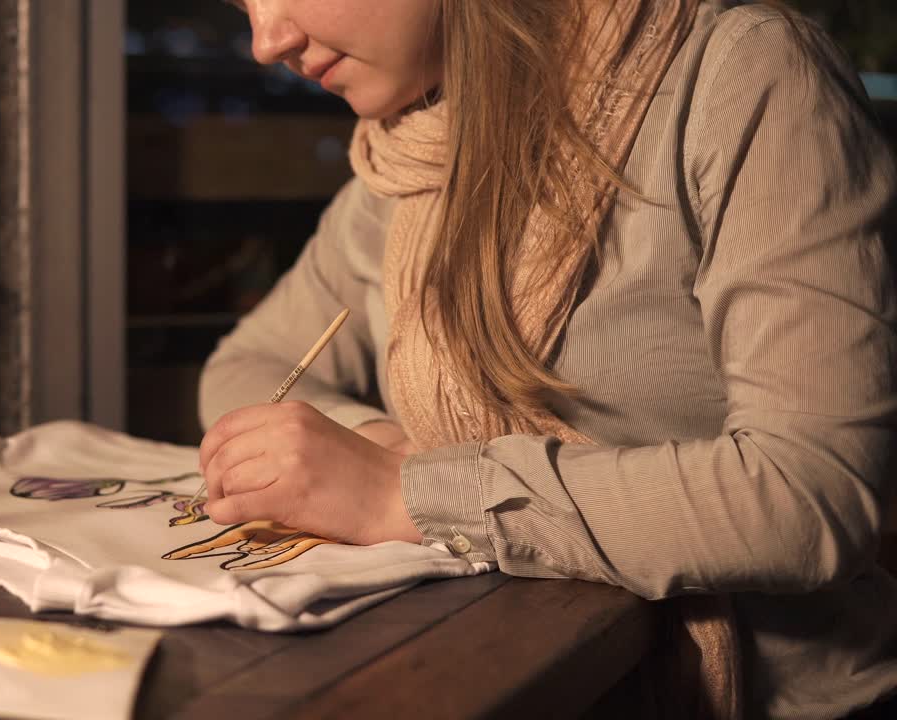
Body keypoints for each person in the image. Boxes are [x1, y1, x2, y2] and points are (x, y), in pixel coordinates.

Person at [195, 1, 897, 718]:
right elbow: (246, 366)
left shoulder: (738, 74)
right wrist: (372, 447)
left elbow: (811, 494)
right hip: (509, 679)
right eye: (244, 4)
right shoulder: (409, 155)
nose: (265, 41)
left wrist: (403, 495)